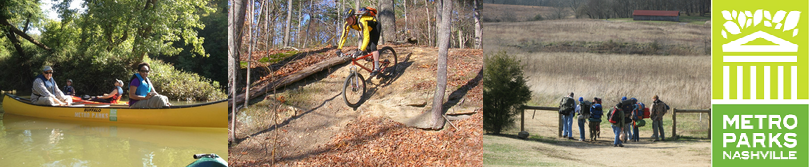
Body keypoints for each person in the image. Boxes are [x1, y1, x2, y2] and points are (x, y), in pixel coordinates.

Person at [335, 7, 382, 76]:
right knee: (368, 48)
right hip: (368, 29)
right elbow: (343, 36)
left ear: (353, 16)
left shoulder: (361, 21)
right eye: (346, 19)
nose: (347, 21)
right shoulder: (347, 24)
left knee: (373, 47)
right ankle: (373, 62)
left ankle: (377, 67)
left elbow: (366, 37)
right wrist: (339, 48)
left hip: (375, 26)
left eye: (348, 18)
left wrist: (361, 50)